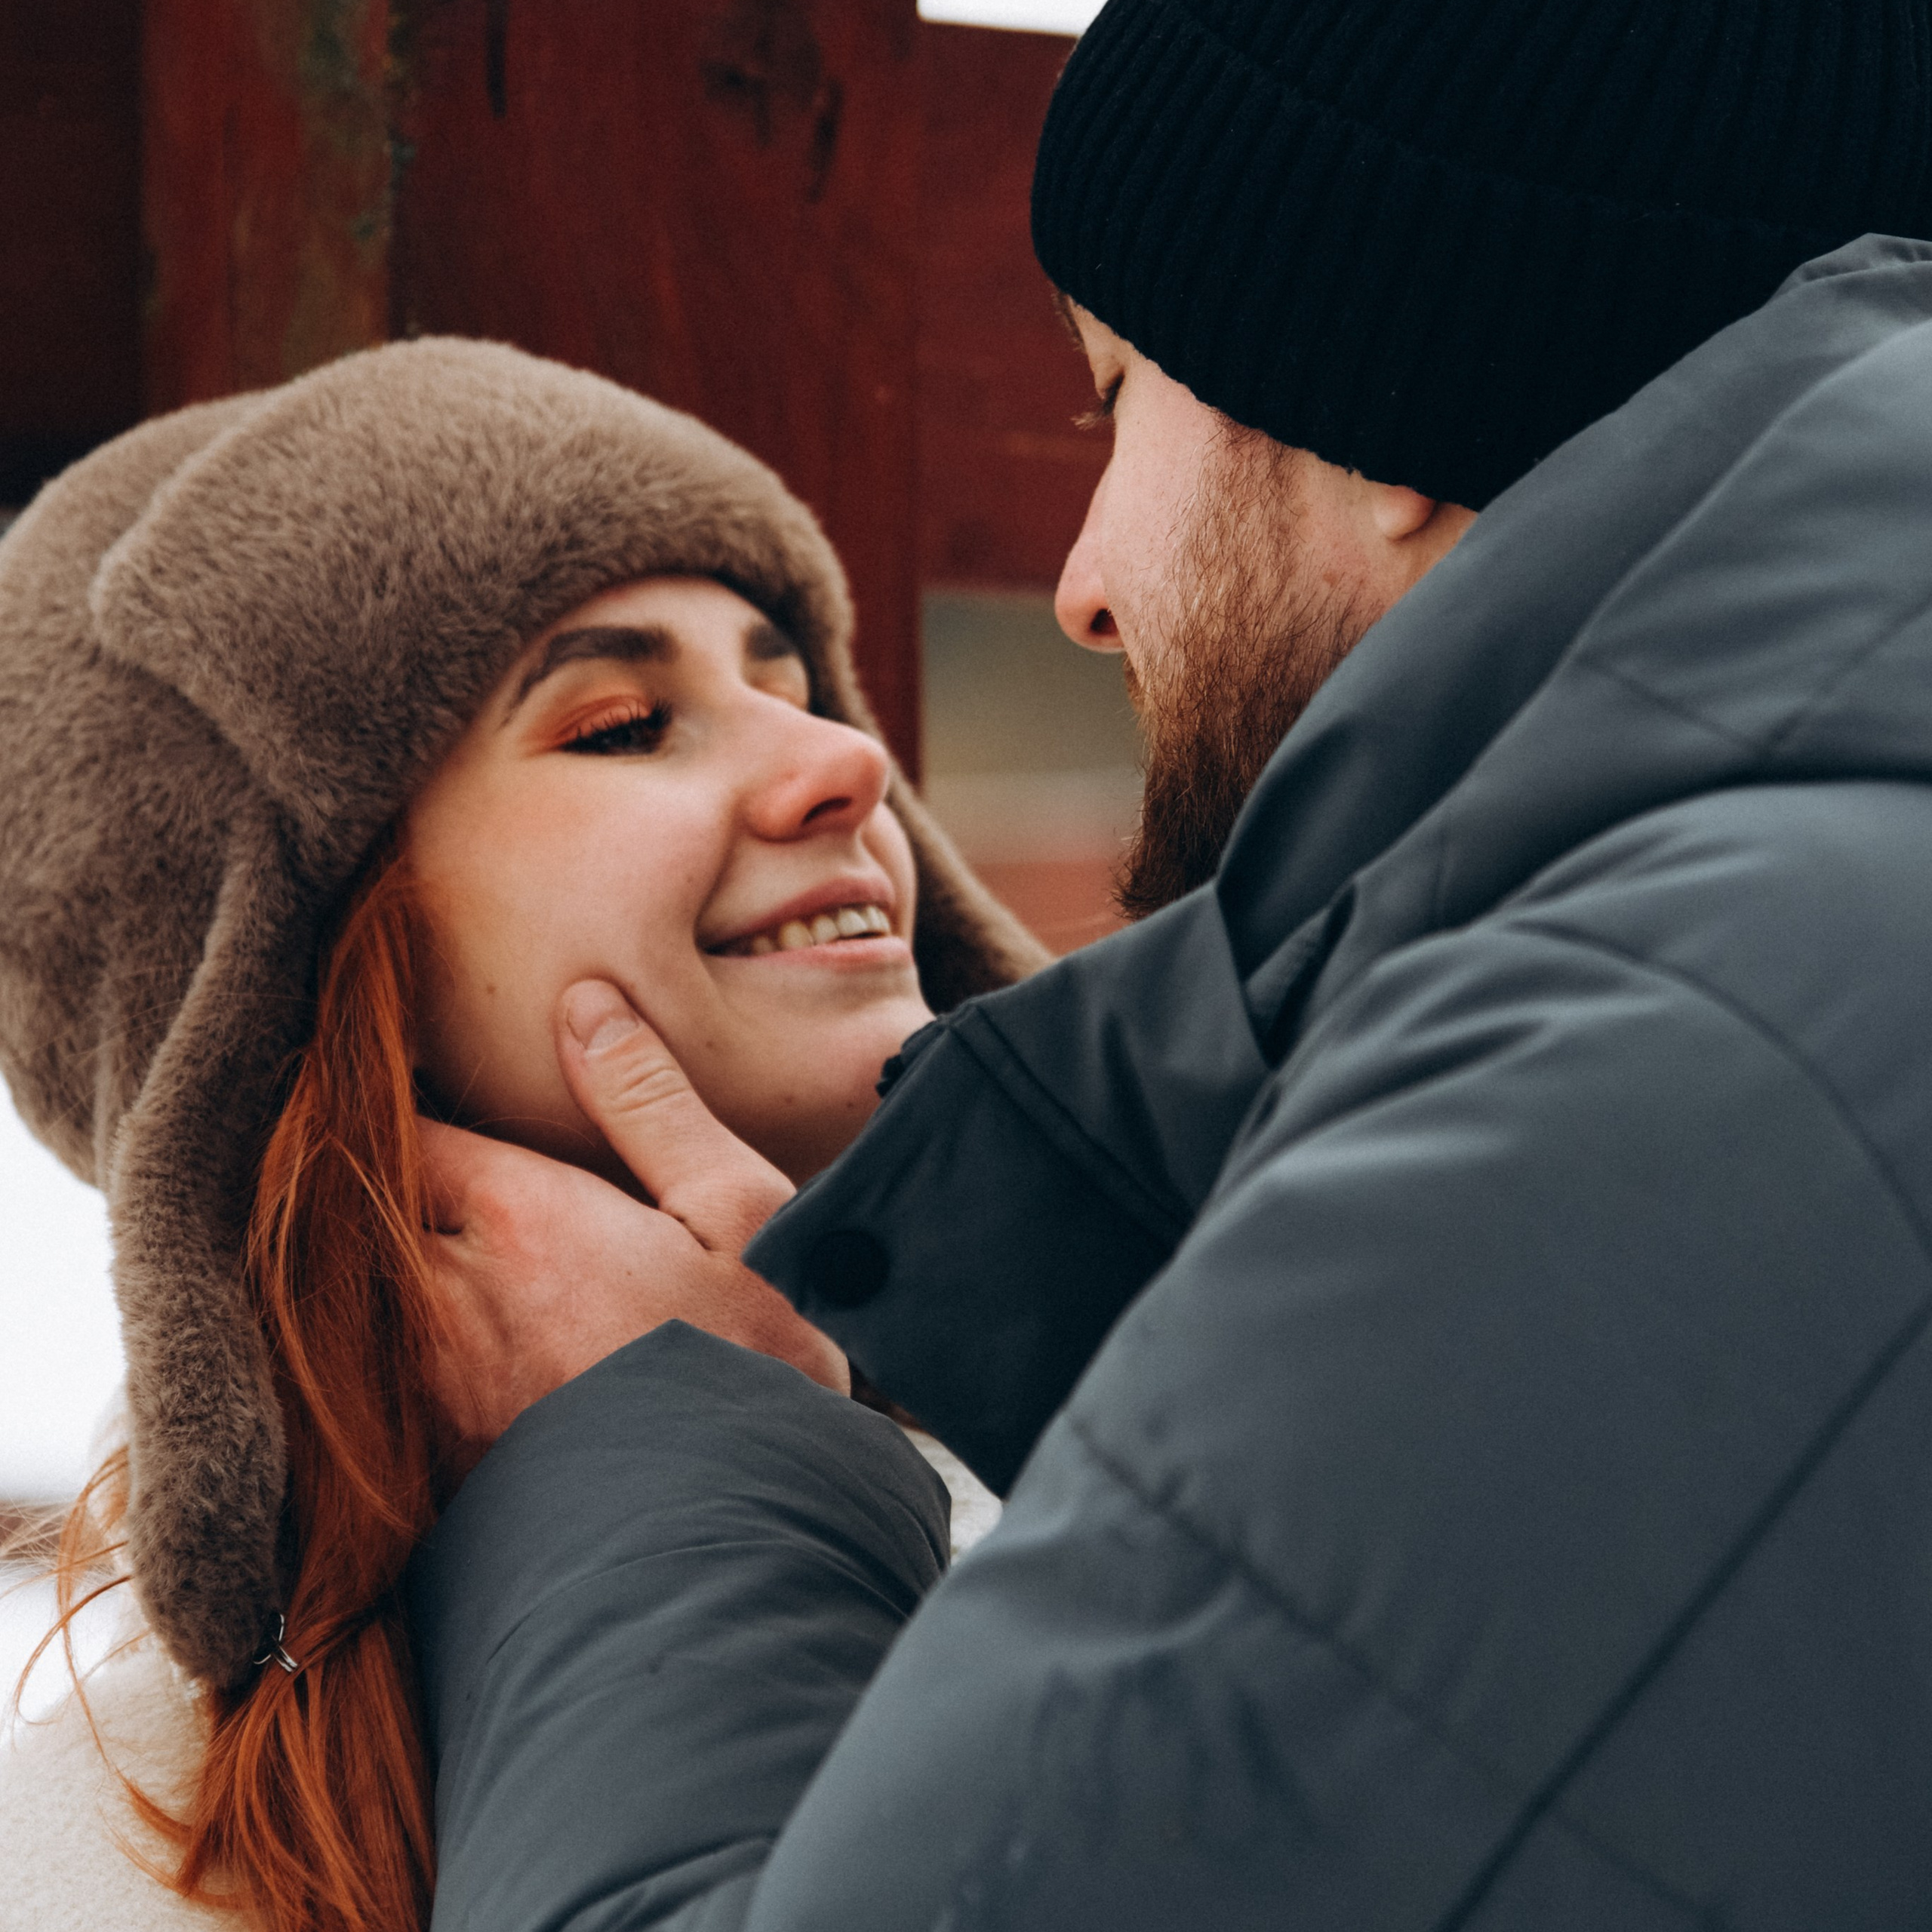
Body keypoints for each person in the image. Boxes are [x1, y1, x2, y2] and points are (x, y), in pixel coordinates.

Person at [402, 0, 1932, 1925]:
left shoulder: (1651, 1075)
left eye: (1110, 393)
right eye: (623, 723)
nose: (1081, 577)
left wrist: (665, 1449)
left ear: (1374, 384)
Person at [0, 337, 1039, 1932]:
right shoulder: (94, 1853)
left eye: (790, 684)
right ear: (282, 978)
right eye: (622, 722)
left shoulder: (1125, 1507)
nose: (847, 760)